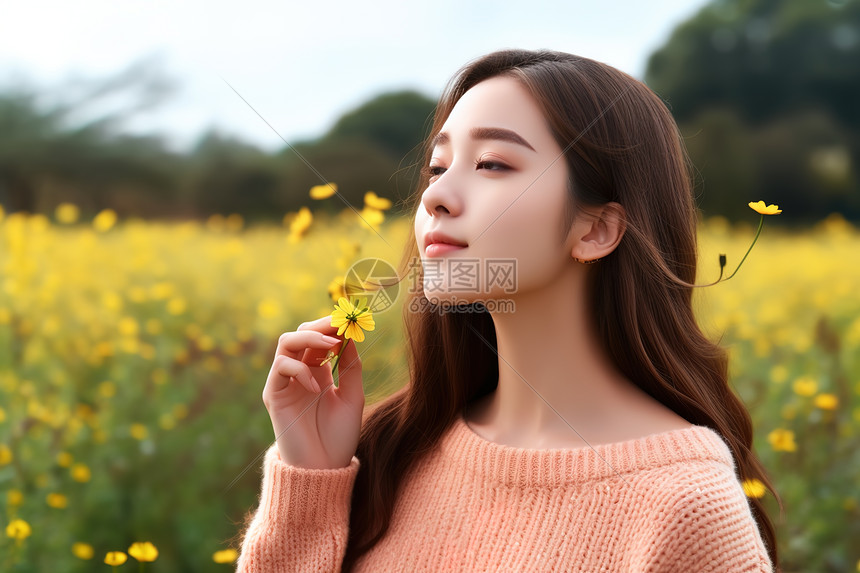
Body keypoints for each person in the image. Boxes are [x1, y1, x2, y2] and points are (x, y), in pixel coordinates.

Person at [235, 48, 780, 572]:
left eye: (493, 164)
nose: (436, 197)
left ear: (596, 230)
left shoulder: (686, 507)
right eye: (436, 166)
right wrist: (310, 482)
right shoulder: (388, 446)